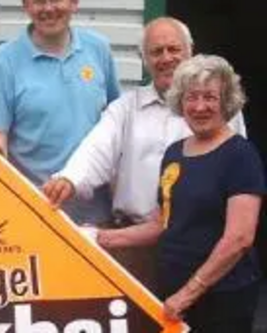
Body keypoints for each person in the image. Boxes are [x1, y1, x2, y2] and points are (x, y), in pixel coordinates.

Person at [42, 17, 246, 291]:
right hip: (132, 246)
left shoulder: (219, 109)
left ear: (190, 51)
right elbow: (96, 150)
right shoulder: (125, 108)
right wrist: (68, 179)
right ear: (144, 59)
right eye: (156, 51)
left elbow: (237, 173)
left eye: (174, 49)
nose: (166, 58)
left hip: (197, 246)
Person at [97, 54, 265, 332]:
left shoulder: (240, 155)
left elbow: (239, 238)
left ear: (226, 101)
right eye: (191, 97)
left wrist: (189, 293)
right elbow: (161, 224)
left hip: (222, 299)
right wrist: (99, 237)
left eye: (210, 97)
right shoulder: (175, 154)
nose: (200, 107)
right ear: (180, 102)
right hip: (172, 290)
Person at [0, 0, 121, 223]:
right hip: (32, 214)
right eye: (38, 1)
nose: (48, 8)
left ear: (74, 3)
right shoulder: (3, 61)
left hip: (96, 216)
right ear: (26, 5)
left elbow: (115, 123)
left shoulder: (98, 48)